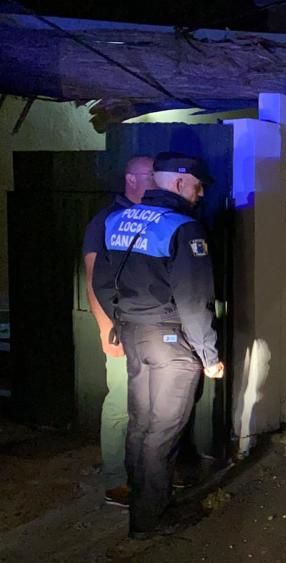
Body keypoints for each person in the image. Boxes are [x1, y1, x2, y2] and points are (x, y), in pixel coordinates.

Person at [92, 152, 224, 539]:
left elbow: (102, 283)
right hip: (171, 341)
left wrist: (119, 321)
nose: (200, 194)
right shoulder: (184, 227)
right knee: (163, 432)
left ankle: (140, 505)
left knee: (141, 425)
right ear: (180, 183)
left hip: (134, 335)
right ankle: (151, 519)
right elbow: (194, 298)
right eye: (198, 186)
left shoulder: (116, 220)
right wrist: (209, 355)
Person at [82, 155, 155, 507]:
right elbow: (93, 276)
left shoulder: (151, 216)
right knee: (121, 403)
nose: (156, 180)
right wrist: (105, 328)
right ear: (130, 179)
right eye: (150, 175)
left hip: (147, 328)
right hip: (120, 328)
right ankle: (115, 479)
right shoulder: (106, 220)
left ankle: (143, 473)